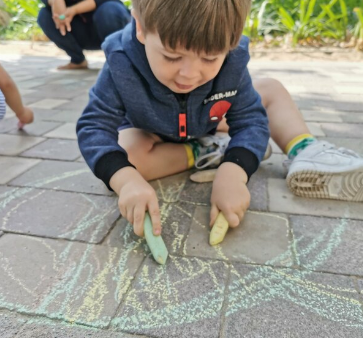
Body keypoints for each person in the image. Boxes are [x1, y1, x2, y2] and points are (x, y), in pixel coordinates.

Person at [77, 0, 363, 238]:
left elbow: (250, 120)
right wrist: (126, 182)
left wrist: (235, 173)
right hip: (152, 130)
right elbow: (94, 126)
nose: (189, 74)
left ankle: (306, 150)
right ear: (140, 27)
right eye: (171, 56)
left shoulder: (233, 59)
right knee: (126, 157)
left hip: (211, 118)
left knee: (271, 90)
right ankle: (211, 150)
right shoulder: (120, 59)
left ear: (232, 41)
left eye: (210, 58)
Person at [38, 0, 131, 70]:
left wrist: (74, 10)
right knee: (44, 15)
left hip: (108, 23)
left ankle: (119, 60)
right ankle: (78, 60)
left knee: (110, 9)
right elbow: (57, 11)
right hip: (76, 29)